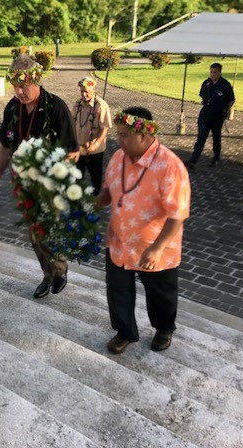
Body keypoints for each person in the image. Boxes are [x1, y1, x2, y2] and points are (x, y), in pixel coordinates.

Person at [96, 107, 191, 354]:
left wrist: (157, 248)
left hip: (155, 248)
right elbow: (108, 192)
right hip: (119, 242)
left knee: (161, 295)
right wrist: (88, 202)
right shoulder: (118, 157)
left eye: (125, 135)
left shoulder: (170, 165)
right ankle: (124, 331)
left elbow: (177, 214)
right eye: (118, 134)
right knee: (117, 291)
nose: (120, 141)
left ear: (145, 134)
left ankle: (164, 329)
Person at [0, 55, 79, 299]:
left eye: (23, 86)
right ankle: (47, 276)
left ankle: (59, 270)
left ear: (36, 80)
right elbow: (5, 146)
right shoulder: (12, 108)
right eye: (14, 86)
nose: (18, 91)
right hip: (24, 182)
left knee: (47, 229)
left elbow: (73, 153)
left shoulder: (56, 108)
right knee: (34, 233)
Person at [186, 62, 235, 169]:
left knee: (216, 138)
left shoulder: (225, 85)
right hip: (205, 114)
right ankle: (193, 160)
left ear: (220, 72)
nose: (213, 74)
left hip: (217, 116)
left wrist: (225, 109)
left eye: (215, 72)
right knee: (201, 137)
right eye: (211, 72)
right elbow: (202, 95)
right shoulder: (206, 83)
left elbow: (231, 99)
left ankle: (216, 157)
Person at [71, 76, 111, 193]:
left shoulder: (101, 105)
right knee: (77, 178)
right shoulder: (78, 104)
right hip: (79, 148)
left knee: (95, 179)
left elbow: (105, 128)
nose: (84, 95)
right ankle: (78, 203)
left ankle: (95, 203)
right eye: (82, 92)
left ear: (93, 90)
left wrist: (97, 143)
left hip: (95, 150)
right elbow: (72, 121)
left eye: (86, 92)